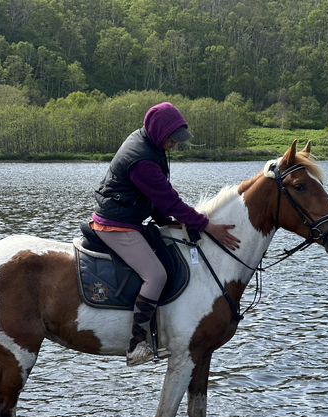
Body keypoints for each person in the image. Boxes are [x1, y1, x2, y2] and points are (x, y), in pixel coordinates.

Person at [92, 102, 240, 366]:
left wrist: (166, 221)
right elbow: (168, 199)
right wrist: (205, 225)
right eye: (172, 140)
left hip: (131, 218)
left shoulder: (149, 141)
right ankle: (136, 344)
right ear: (160, 133)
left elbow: (157, 198)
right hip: (116, 224)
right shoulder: (142, 159)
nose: (174, 145)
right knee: (156, 275)